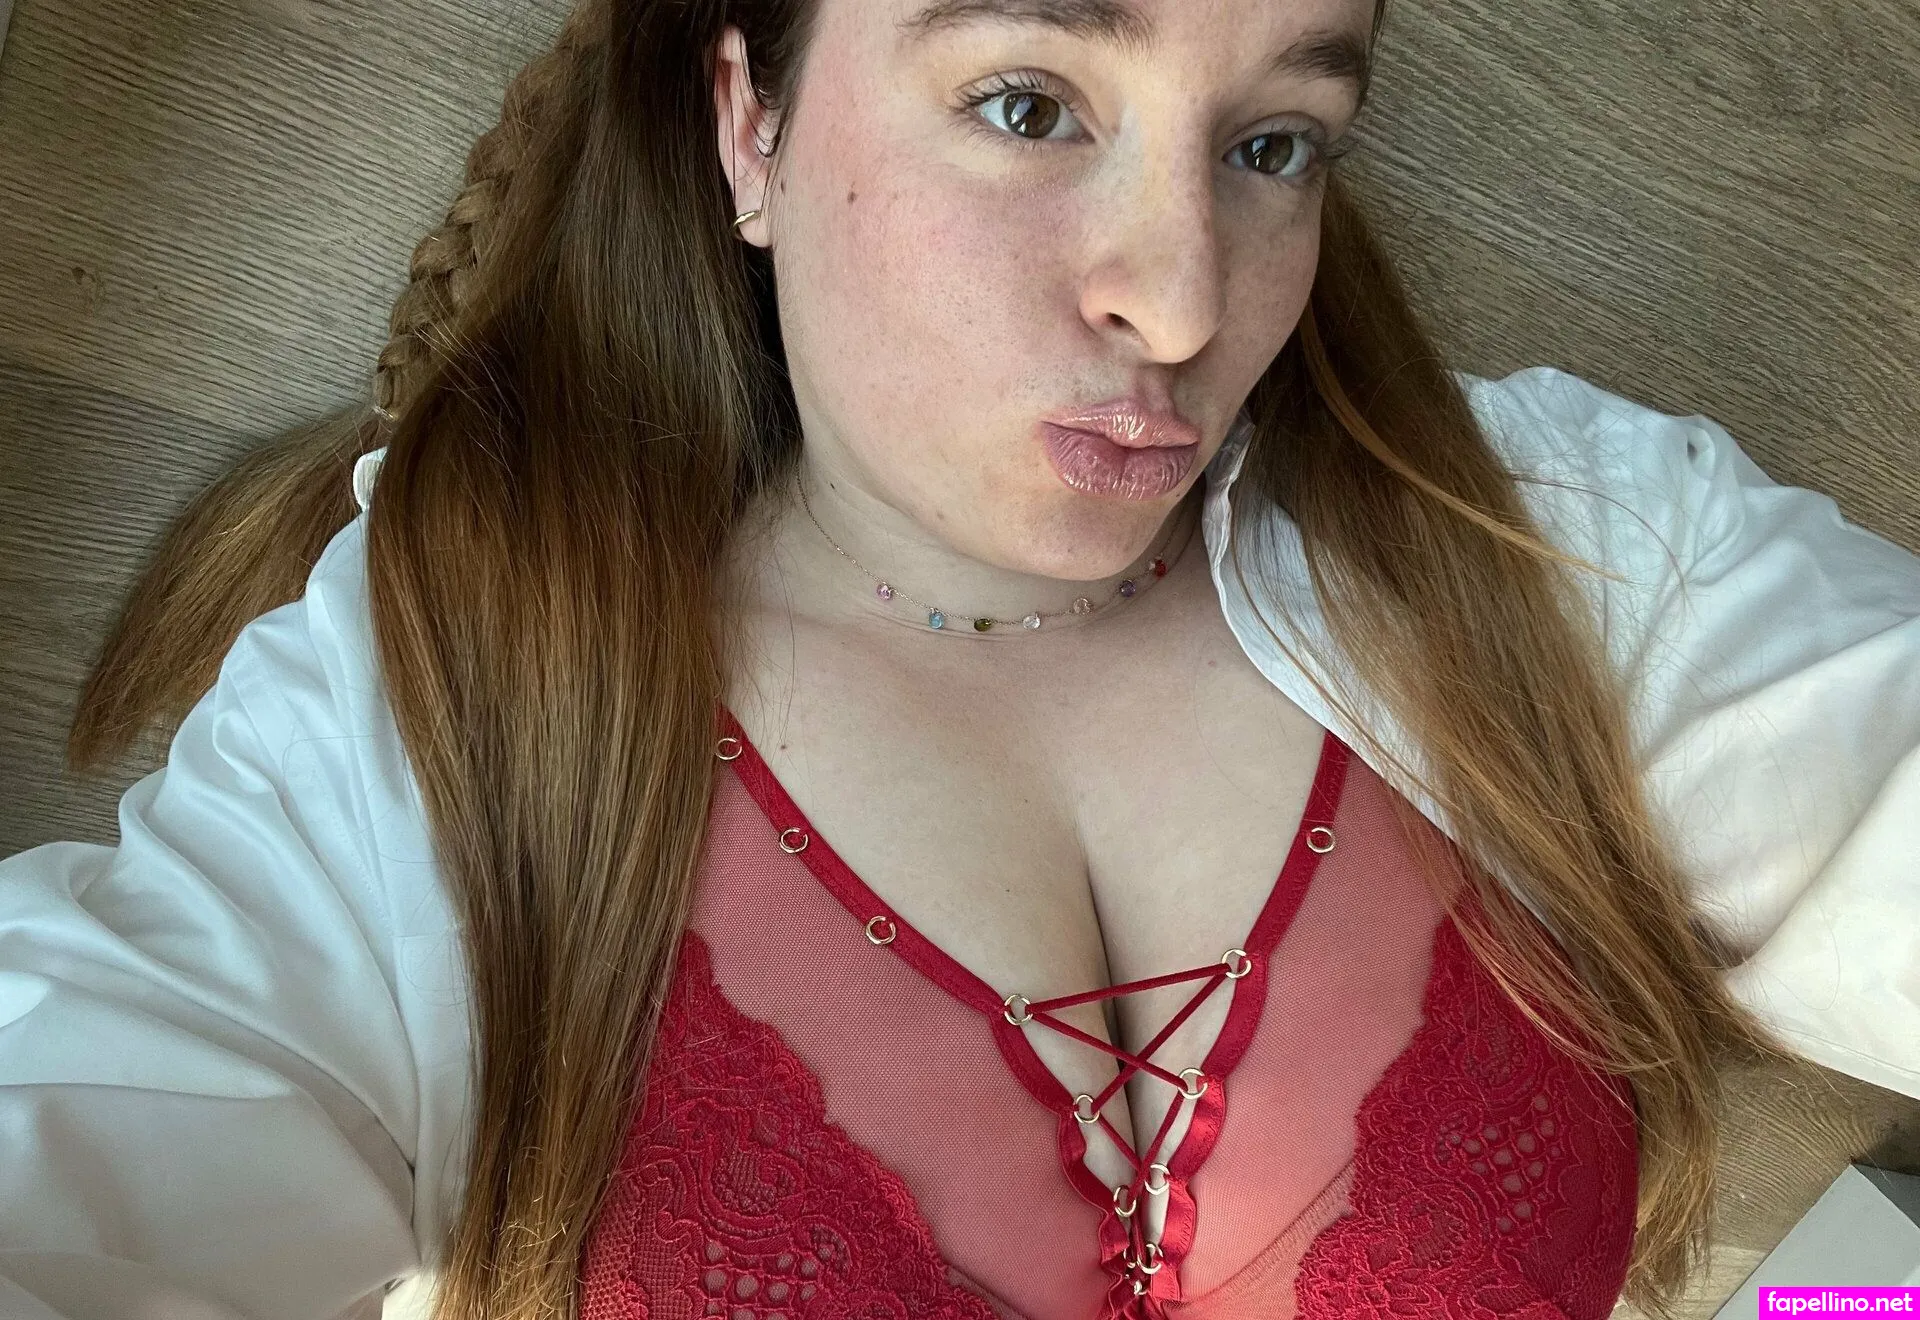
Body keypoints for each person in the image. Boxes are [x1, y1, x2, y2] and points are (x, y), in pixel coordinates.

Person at [2, 0, 1916, 1316]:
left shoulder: (1553, 554)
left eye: (1273, 145)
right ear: (750, 126)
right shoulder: (448, 726)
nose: (1181, 299)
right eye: (1028, 105)